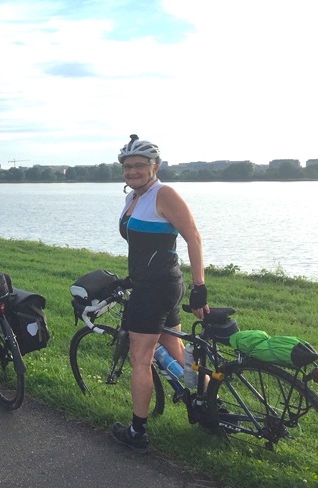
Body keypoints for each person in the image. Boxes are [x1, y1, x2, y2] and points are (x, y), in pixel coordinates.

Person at [111, 134, 210, 453]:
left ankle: (137, 432)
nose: (132, 171)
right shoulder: (134, 197)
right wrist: (131, 277)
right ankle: (211, 408)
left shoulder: (163, 194)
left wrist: (200, 287)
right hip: (153, 283)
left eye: (139, 165)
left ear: (155, 166)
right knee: (176, 351)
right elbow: (144, 246)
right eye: (127, 166)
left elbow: (193, 237)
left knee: (140, 358)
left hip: (157, 288)